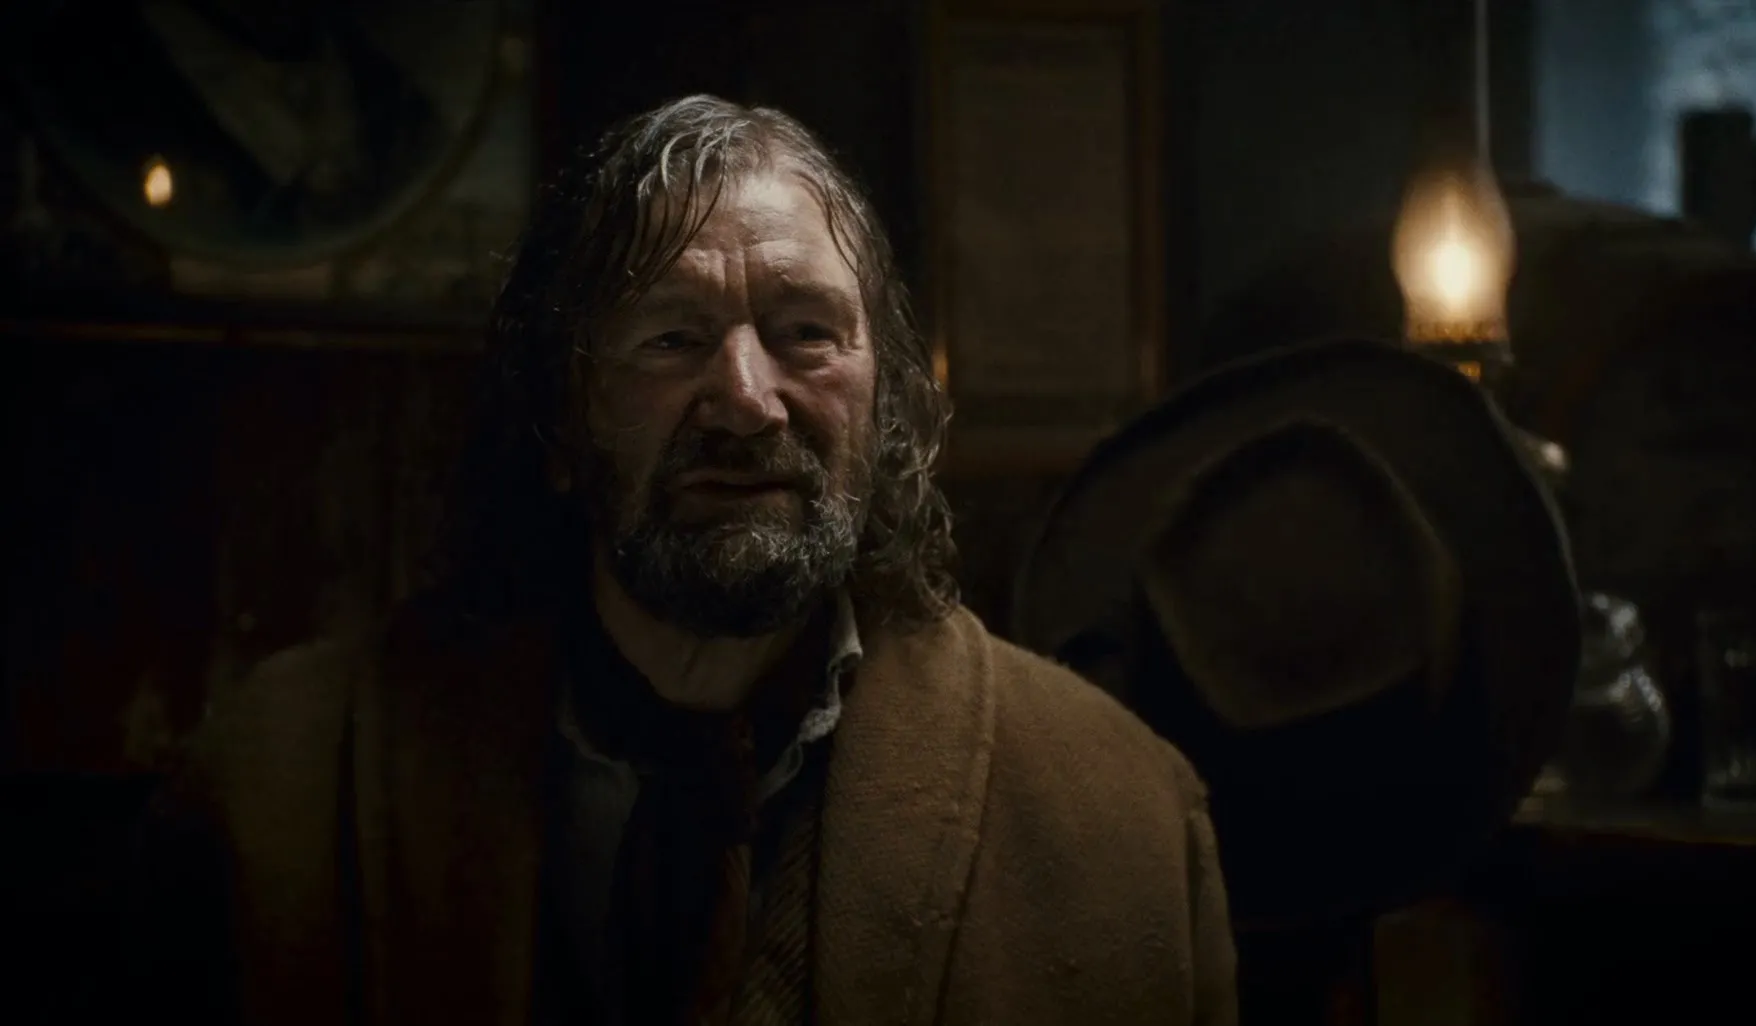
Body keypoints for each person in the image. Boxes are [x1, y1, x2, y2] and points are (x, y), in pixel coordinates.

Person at [115, 94, 1239, 1026]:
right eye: (671, 338)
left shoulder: (1118, 818)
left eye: (806, 333)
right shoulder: (275, 796)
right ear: (563, 419)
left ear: (883, 401)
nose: (747, 402)